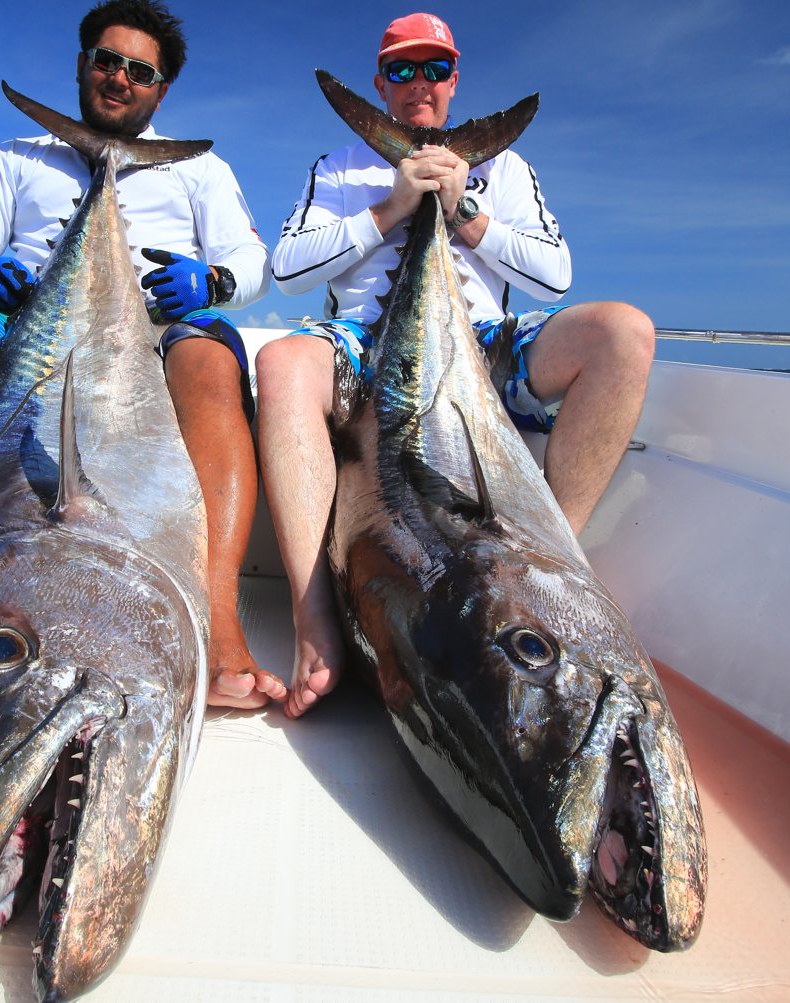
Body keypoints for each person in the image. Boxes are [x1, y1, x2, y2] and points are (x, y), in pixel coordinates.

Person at [0, 0, 287, 710]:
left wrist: (214, 282)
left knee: (211, 354)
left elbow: (251, 262)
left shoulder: (199, 171)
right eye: (107, 61)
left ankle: (219, 618)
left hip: (153, 336)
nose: (120, 78)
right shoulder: (15, 157)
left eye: (140, 71)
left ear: (160, 90)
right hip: (33, 329)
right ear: (81, 65)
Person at [258, 12, 655, 718]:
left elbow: (556, 277)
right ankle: (313, 610)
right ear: (380, 83)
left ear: (454, 79)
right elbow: (286, 273)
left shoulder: (505, 168)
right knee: (285, 361)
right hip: (363, 340)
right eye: (403, 70)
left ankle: (552, 568)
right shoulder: (338, 166)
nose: (419, 84)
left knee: (623, 334)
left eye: (433, 69)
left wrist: (461, 208)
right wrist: (395, 205)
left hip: (482, 338)